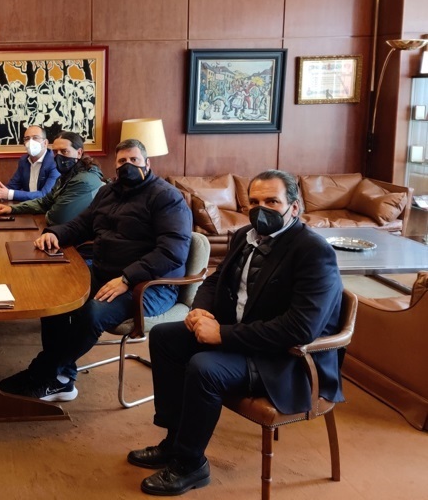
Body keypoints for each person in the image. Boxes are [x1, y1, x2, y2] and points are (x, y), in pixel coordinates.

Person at [128, 169, 343, 496]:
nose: (261, 210)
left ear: (294, 207)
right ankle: (173, 442)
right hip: (246, 337)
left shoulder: (313, 251)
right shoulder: (245, 236)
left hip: (286, 359)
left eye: (272, 201)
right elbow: (215, 280)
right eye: (254, 202)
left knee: (205, 368)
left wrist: (223, 335)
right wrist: (200, 310)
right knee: (164, 338)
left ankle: (190, 464)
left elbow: (300, 328)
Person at [0, 139, 192, 402]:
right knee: (54, 297)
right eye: (122, 161)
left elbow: (172, 252)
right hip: (106, 274)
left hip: (149, 285)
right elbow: (81, 225)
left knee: (92, 314)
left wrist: (127, 279)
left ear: (147, 163)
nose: (128, 165)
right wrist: (55, 234)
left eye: (134, 160)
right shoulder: (108, 192)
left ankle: (41, 374)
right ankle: (62, 379)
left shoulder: (167, 197)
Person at [0, 130, 103, 226]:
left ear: (79, 153)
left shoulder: (83, 180)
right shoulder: (65, 176)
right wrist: (13, 209)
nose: (58, 156)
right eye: (55, 152)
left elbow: (57, 218)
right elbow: (45, 202)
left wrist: (49, 210)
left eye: (64, 151)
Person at [0, 125, 60, 203]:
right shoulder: (24, 160)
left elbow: (45, 195)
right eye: (27, 139)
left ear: (45, 143)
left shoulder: (55, 162)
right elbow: (13, 186)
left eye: (35, 138)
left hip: (48, 208)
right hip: (27, 206)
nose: (31, 142)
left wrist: (9, 194)